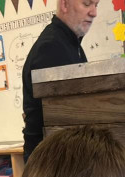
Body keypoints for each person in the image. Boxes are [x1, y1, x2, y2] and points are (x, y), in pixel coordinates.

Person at [21, 0, 99, 160]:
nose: (94, 12)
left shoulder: (71, 45)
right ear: (64, 5)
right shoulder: (51, 48)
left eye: (96, 5)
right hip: (52, 164)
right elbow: (66, 120)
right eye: (87, 4)